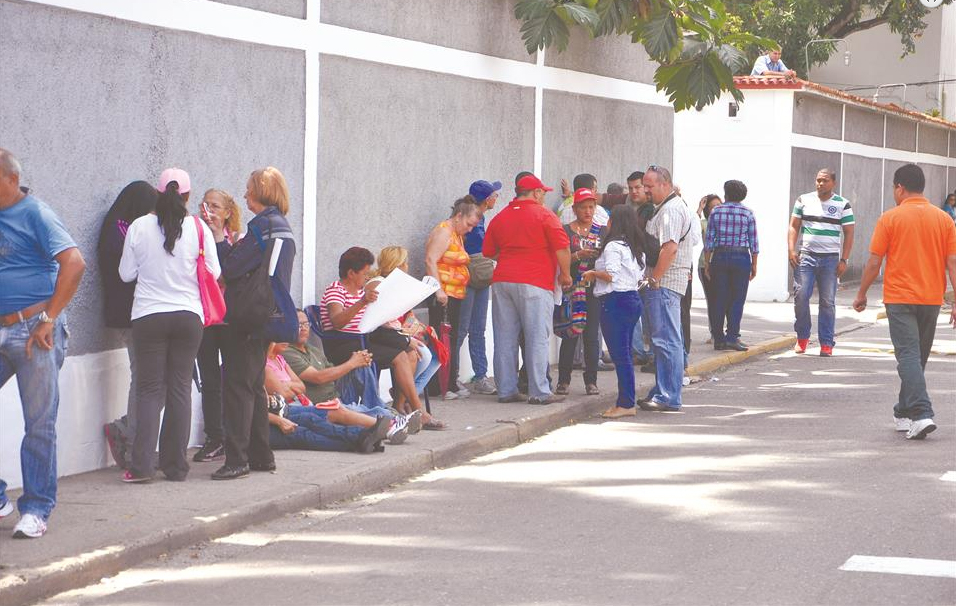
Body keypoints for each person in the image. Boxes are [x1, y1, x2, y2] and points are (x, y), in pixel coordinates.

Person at [0, 149, 85, 538]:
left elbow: (74, 262)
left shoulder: (36, 213)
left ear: (11, 179)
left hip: (35, 330)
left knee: (39, 422)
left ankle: (35, 509)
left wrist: (50, 318)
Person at [117, 168, 218, 484]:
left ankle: (142, 467)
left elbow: (125, 274)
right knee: (180, 389)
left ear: (158, 193)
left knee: (148, 390)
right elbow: (213, 272)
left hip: (148, 316)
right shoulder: (199, 228)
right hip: (189, 317)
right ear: (188, 196)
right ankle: (176, 467)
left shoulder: (139, 227)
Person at [853, 164, 956, 440]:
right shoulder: (944, 219)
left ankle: (921, 413)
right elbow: (953, 262)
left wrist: (861, 293)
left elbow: (874, 261)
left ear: (899, 188)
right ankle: (903, 412)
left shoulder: (890, 218)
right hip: (932, 299)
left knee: (910, 357)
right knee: (916, 358)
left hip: (900, 299)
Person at [209, 167, 296, 480]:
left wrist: (219, 236)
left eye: (248, 189)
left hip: (245, 318)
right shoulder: (282, 226)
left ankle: (237, 458)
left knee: (237, 388)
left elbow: (231, 268)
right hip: (266, 315)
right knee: (254, 387)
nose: (244, 194)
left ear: (261, 191)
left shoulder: (261, 227)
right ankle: (262, 455)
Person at [319, 247, 446, 430]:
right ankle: (417, 411)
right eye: (364, 273)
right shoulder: (335, 290)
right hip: (343, 343)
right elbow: (338, 321)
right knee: (401, 350)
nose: (367, 276)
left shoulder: (361, 291)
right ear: (351, 273)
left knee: (405, 353)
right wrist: (362, 302)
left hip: (364, 339)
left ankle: (406, 408)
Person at [483, 173, 571, 405]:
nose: (543, 197)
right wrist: (566, 274)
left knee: (504, 337)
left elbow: (489, 251)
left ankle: (506, 390)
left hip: (503, 279)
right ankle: (539, 391)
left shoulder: (500, 217)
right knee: (537, 337)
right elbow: (562, 247)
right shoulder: (544, 215)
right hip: (535, 281)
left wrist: (511, 258)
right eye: (542, 193)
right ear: (537, 193)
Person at [99, 181, 158, 469]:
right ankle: (131, 437)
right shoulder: (123, 232)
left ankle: (129, 430)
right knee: (145, 377)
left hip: (125, 314)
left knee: (145, 377)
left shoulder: (116, 226)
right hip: (132, 315)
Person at [265, 342, 408, 446]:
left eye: (305, 324)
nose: (304, 328)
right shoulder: (284, 355)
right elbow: (316, 379)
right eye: (298, 325)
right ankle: (390, 425)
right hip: (305, 403)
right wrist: (352, 363)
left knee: (361, 406)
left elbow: (301, 386)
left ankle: (393, 420)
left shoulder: (284, 357)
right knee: (329, 418)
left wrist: (290, 385)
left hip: (326, 395)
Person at [193, 188, 243, 463]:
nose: (209, 211)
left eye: (215, 206)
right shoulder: (195, 236)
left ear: (227, 213)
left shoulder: (236, 239)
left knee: (234, 378)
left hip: (229, 316)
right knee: (209, 378)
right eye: (206, 205)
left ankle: (234, 435)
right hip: (206, 317)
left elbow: (228, 273)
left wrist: (216, 238)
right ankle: (215, 438)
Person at [582, 205, 645, 417]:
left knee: (621, 356)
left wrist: (592, 273)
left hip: (615, 300)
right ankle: (625, 400)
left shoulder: (613, 247)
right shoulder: (632, 246)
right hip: (632, 299)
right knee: (625, 353)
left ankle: (626, 403)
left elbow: (611, 274)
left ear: (614, 222)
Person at [640, 165, 695, 412]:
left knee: (666, 341)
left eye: (649, 186)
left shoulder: (671, 210)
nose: (645, 190)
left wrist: (655, 279)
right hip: (668, 283)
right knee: (669, 339)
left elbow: (670, 248)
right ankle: (663, 390)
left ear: (664, 184)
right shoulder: (668, 207)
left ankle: (668, 395)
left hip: (665, 284)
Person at [789, 169, 855, 356]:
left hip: (830, 260)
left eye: (825, 181)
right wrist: (791, 249)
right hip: (806, 256)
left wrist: (844, 259)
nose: (820, 184)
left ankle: (826, 343)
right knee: (801, 296)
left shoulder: (843, 204)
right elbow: (794, 226)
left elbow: (849, 233)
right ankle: (802, 337)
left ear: (833, 183)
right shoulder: (803, 200)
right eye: (818, 180)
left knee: (827, 301)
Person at [368, 247, 439, 414]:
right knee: (421, 354)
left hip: (395, 332)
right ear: (398, 265)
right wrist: (407, 336)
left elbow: (405, 314)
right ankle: (405, 402)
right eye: (405, 262)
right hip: (381, 335)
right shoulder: (379, 283)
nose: (407, 266)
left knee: (434, 353)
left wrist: (422, 329)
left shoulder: (396, 283)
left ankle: (403, 399)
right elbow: (384, 318)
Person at [425, 197, 481, 400]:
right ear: (459, 216)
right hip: (443, 296)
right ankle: (438, 386)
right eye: (468, 224)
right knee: (442, 340)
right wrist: (439, 290)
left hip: (454, 294)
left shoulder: (456, 233)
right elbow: (431, 260)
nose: (470, 229)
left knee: (452, 338)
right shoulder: (444, 231)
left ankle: (448, 382)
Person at [556, 188, 606, 396]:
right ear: (574, 209)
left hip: (593, 290)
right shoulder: (566, 231)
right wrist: (577, 256)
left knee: (591, 336)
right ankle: (563, 380)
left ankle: (591, 381)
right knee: (570, 334)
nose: (587, 211)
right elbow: (560, 258)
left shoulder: (602, 231)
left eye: (591, 207)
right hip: (572, 289)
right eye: (583, 207)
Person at [704, 181, 758, 351]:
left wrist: (707, 263)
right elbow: (753, 242)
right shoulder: (748, 213)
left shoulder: (715, 212)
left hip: (719, 255)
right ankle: (732, 337)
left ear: (725, 194)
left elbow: (709, 241)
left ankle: (719, 339)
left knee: (719, 298)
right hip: (741, 256)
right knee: (737, 298)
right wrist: (754, 264)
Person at [458, 179, 500, 396]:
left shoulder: (481, 218)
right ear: (486, 200)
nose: (497, 198)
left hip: (481, 276)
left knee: (477, 328)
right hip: (469, 275)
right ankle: (451, 376)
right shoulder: (472, 219)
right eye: (494, 195)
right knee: (463, 328)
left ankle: (480, 375)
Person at [627, 170, 654, 367]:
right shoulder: (632, 207)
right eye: (630, 188)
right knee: (636, 311)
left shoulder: (652, 209)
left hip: (652, 267)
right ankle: (638, 351)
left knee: (652, 311)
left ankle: (653, 353)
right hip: (635, 267)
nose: (634, 192)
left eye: (637, 187)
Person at [696, 194, 722, 346]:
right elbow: (692, 226)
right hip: (705, 264)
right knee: (712, 300)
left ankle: (724, 331)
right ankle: (714, 332)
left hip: (724, 263)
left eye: (719, 205)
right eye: (712, 207)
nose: (716, 209)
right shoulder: (704, 223)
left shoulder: (727, 221)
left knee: (724, 300)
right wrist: (699, 209)